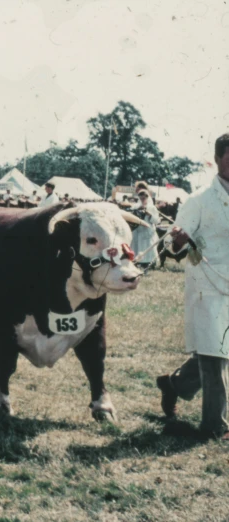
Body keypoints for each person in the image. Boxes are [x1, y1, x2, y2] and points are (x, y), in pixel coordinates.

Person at [157, 133, 229, 440]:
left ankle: (173, 385)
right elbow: (170, 242)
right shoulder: (198, 200)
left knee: (216, 351)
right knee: (215, 357)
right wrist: (178, 241)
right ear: (218, 159)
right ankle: (215, 426)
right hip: (207, 287)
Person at [129, 190, 160, 269]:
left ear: (147, 197)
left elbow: (157, 220)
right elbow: (130, 217)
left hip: (147, 230)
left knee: (148, 246)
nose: (142, 199)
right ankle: (136, 262)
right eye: (141, 198)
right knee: (136, 246)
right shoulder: (135, 206)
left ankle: (150, 263)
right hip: (137, 230)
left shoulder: (152, 207)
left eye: (144, 198)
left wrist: (149, 215)